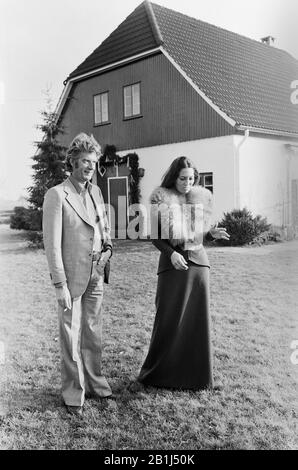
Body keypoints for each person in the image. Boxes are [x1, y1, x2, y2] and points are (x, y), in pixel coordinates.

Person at [138, 156, 230, 390]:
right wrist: (171, 254)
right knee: (168, 319)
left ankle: (196, 378)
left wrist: (210, 235)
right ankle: (159, 374)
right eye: (183, 178)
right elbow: (156, 238)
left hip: (199, 266)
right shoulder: (161, 199)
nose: (187, 182)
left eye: (191, 178)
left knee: (196, 322)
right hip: (173, 267)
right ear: (174, 177)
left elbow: (196, 236)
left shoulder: (200, 199)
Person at [43, 133, 113, 416]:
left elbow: (103, 228)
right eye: (85, 161)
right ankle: (74, 393)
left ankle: (96, 384)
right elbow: (52, 243)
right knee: (71, 335)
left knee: (93, 332)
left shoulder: (96, 192)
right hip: (71, 276)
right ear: (73, 161)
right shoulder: (57, 195)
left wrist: (108, 249)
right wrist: (59, 284)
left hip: (97, 271)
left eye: (93, 162)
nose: (89, 167)